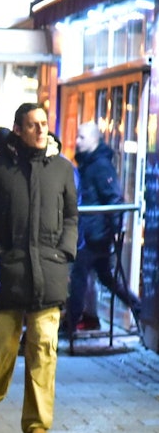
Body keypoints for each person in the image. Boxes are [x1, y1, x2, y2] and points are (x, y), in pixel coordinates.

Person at [0, 102, 77, 433]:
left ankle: (37, 423)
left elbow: (71, 215)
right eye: (33, 124)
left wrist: (64, 252)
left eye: (44, 123)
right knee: (0, 347)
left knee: (43, 348)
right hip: (6, 274)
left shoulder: (62, 168)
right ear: (17, 129)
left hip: (48, 271)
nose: (41, 129)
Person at [65, 121, 140, 332]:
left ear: (94, 139)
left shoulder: (99, 165)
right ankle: (137, 307)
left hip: (94, 233)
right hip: (94, 231)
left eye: (82, 137)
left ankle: (71, 324)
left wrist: (114, 230)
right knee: (105, 277)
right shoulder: (91, 163)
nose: (77, 141)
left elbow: (113, 198)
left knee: (80, 277)